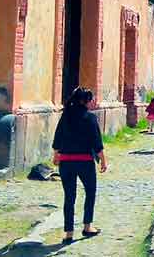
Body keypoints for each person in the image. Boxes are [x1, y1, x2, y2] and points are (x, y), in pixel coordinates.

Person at [52, 87, 107, 243]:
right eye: (90, 100)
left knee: (69, 197)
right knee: (90, 192)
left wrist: (56, 155)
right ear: (85, 101)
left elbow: (58, 137)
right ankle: (87, 226)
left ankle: (69, 233)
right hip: (85, 162)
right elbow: (97, 142)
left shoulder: (65, 115)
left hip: (66, 162)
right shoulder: (90, 118)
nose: (92, 103)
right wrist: (103, 159)